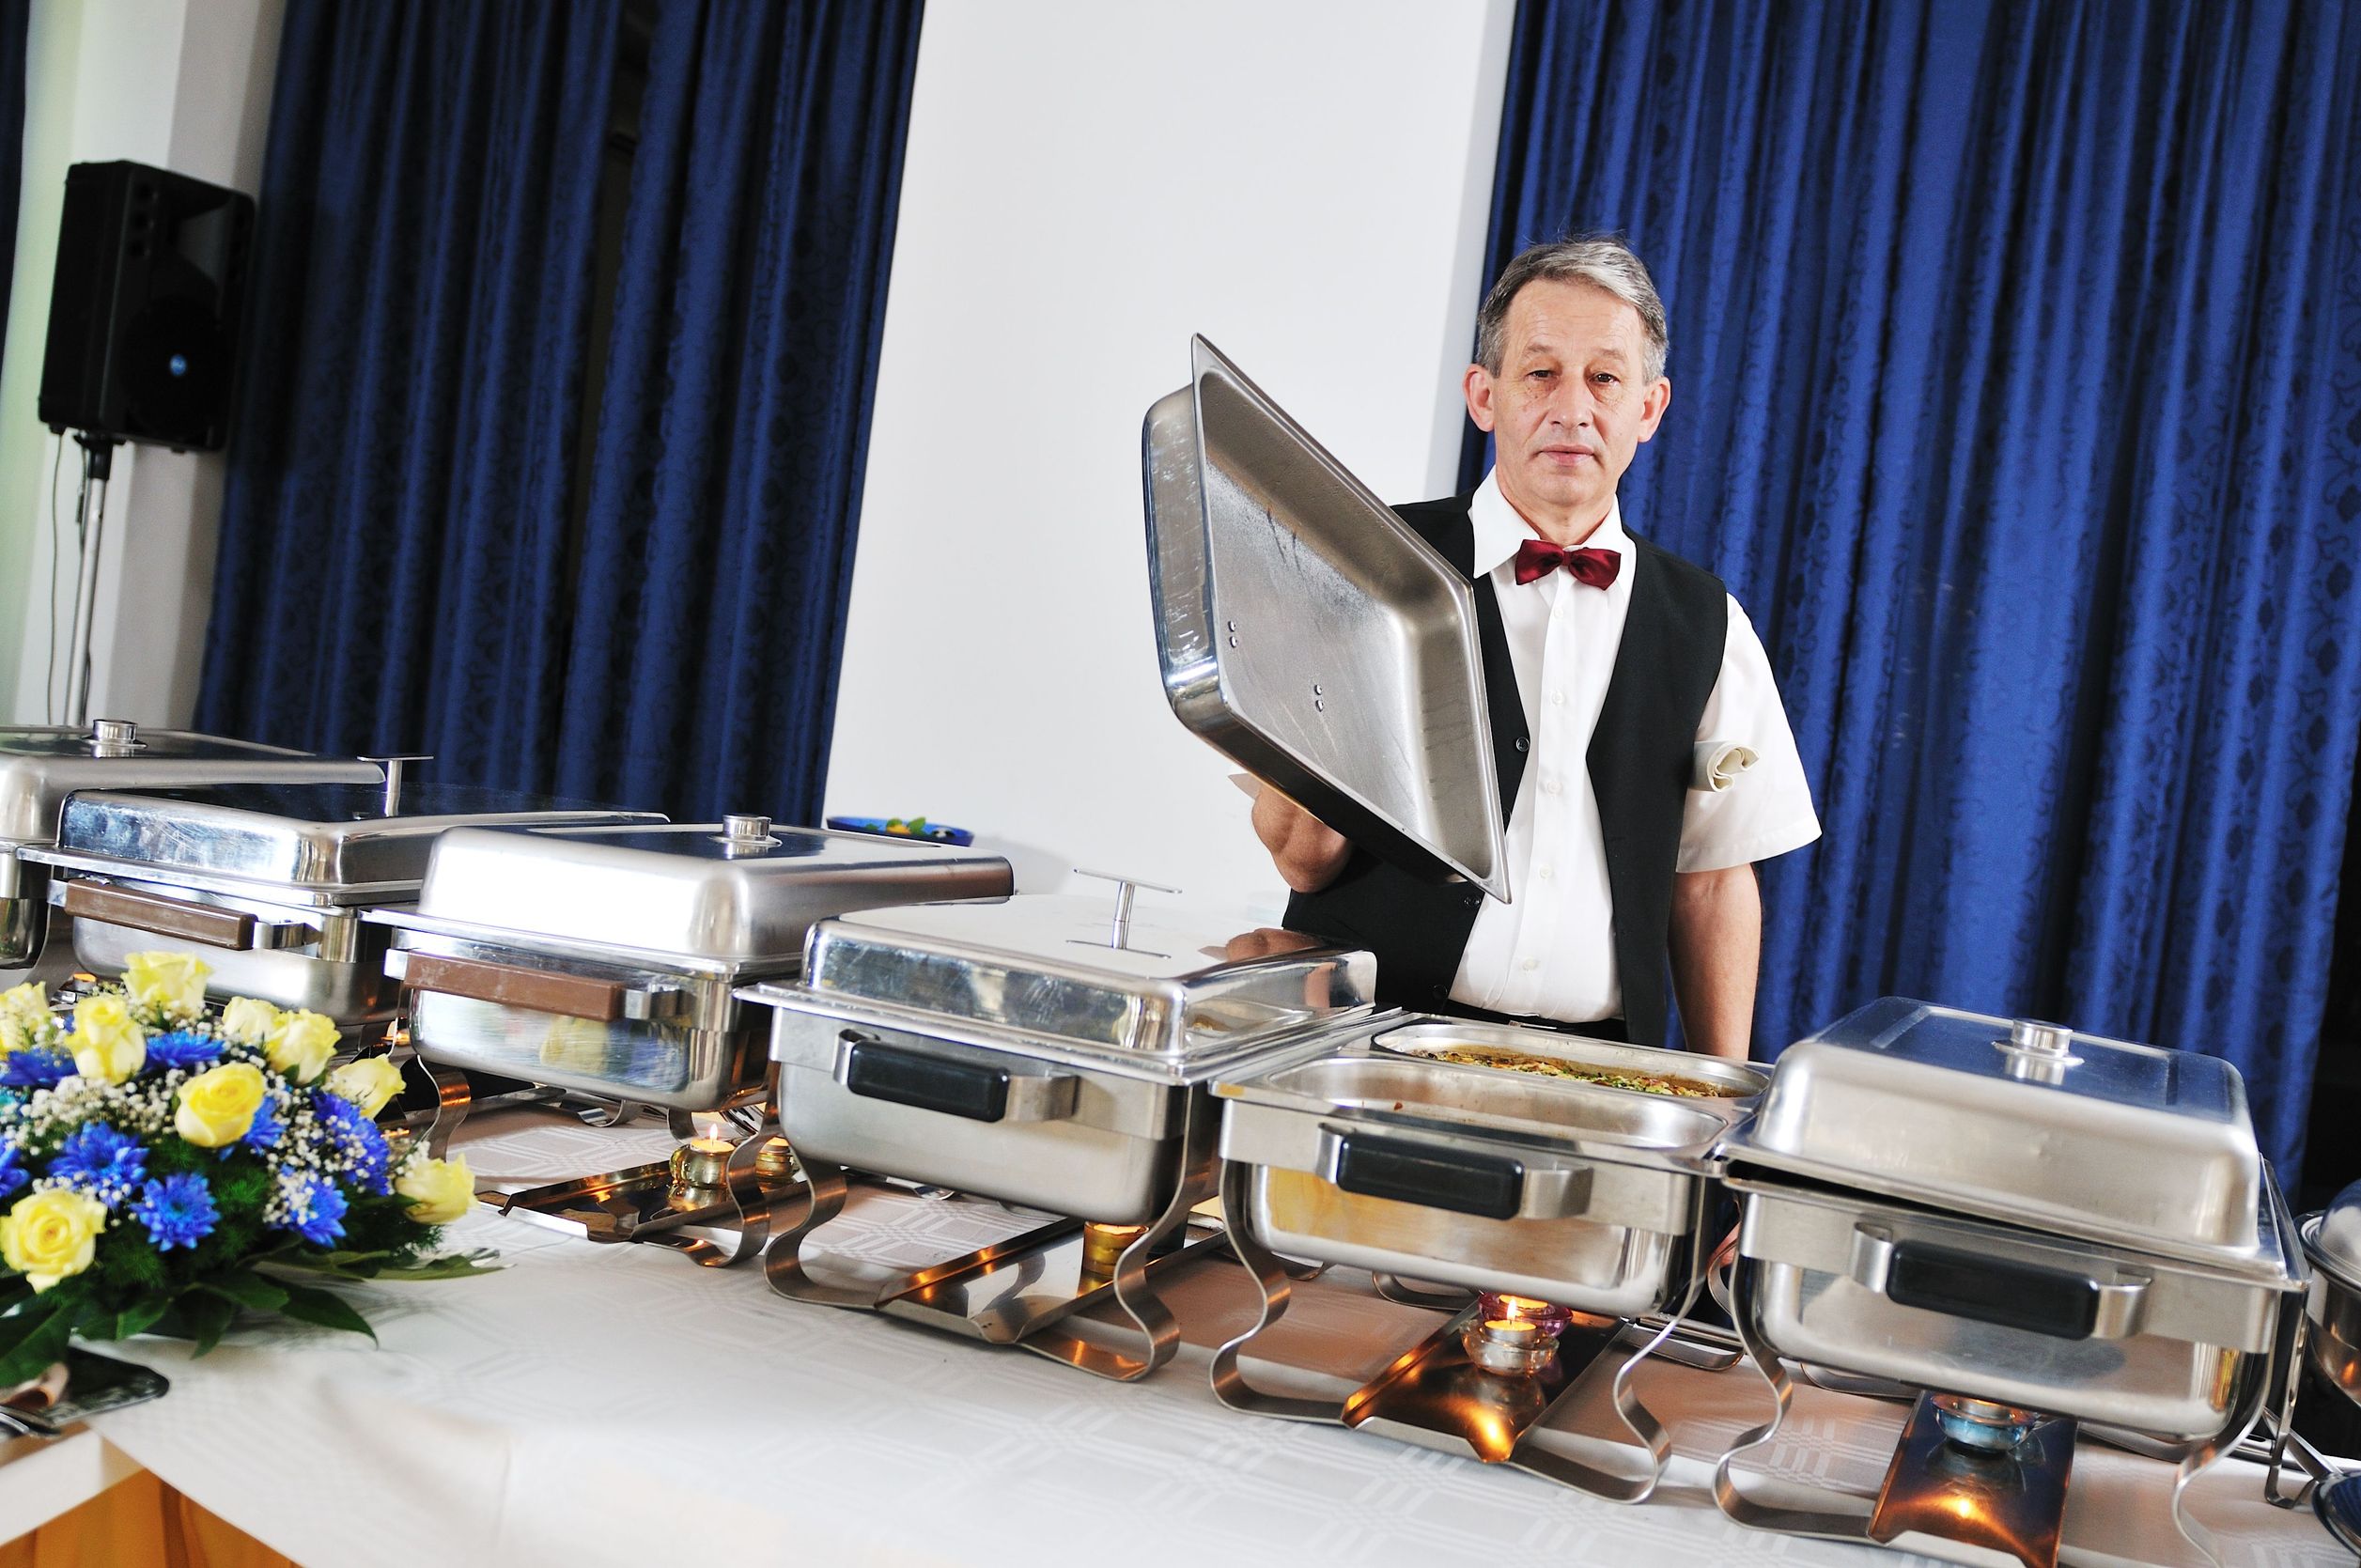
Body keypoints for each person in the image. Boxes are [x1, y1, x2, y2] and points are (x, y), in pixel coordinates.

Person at [1252, 236, 1818, 1060]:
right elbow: (1303, 862)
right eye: (1540, 372)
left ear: (1649, 409)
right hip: (1364, 1045)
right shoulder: (1367, 564)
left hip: (1597, 1074)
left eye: (1604, 378)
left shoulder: (1707, 621)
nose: (1572, 409)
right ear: (1484, 395)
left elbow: (1714, 881)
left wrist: (1717, 1098)